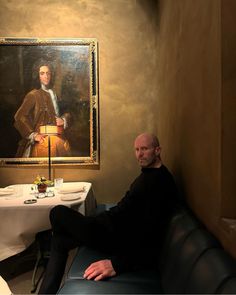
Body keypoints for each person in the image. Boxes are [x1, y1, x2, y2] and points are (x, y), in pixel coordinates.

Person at [38, 133, 180, 294]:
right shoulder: (150, 173)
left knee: (57, 212)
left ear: (157, 150)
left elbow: (152, 233)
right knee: (60, 240)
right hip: (109, 224)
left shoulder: (160, 182)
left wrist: (117, 264)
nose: (139, 154)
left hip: (113, 235)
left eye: (145, 149)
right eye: (137, 149)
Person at [14, 59, 71, 158]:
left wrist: (63, 120)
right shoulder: (33, 95)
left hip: (59, 139)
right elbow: (19, 117)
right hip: (42, 142)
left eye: (48, 73)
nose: (46, 76)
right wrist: (33, 135)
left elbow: (67, 111)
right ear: (37, 76)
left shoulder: (55, 94)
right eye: (42, 73)